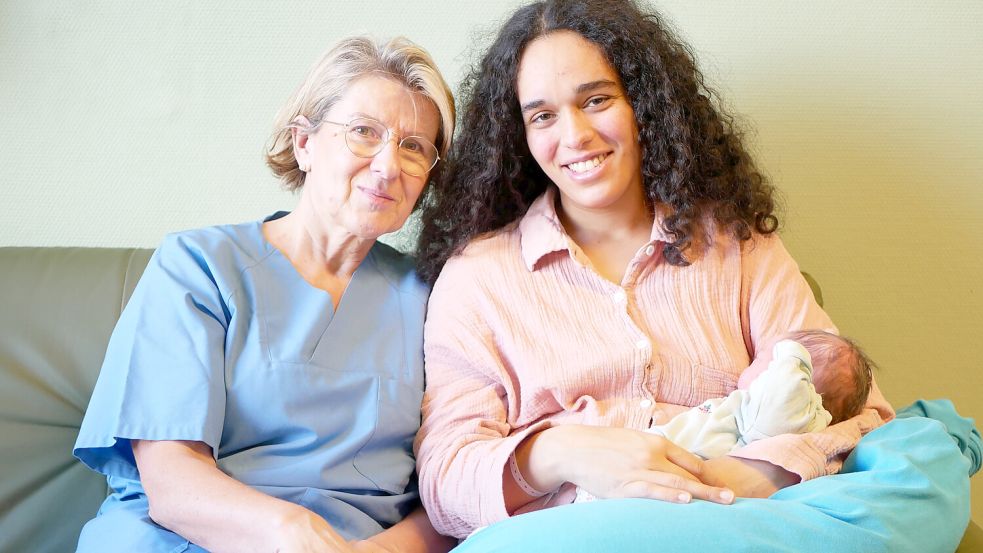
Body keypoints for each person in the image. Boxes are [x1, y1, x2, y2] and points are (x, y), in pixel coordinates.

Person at [412, 0, 896, 540]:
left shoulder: (738, 245)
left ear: (643, 104)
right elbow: (445, 482)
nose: (573, 137)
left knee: (928, 451)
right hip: (570, 532)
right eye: (542, 115)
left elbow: (865, 412)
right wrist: (559, 452)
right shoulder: (477, 278)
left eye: (596, 100)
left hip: (737, 524)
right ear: (519, 135)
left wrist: (753, 475)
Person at [73, 36, 457, 553]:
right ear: (304, 143)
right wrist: (293, 534)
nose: (389, 165)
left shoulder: (438, 295)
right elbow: (172, 484)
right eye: (364, 132)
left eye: (414, 147)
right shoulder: (200, 265)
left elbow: (453, 492)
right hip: (179, 540)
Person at [574, 329, 874, 502]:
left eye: (763, 360)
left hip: (668, 477)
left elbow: (782, 395)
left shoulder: (777, 415)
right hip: (637, 463)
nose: (753, 364)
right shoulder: (751, 408)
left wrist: (790, 353)